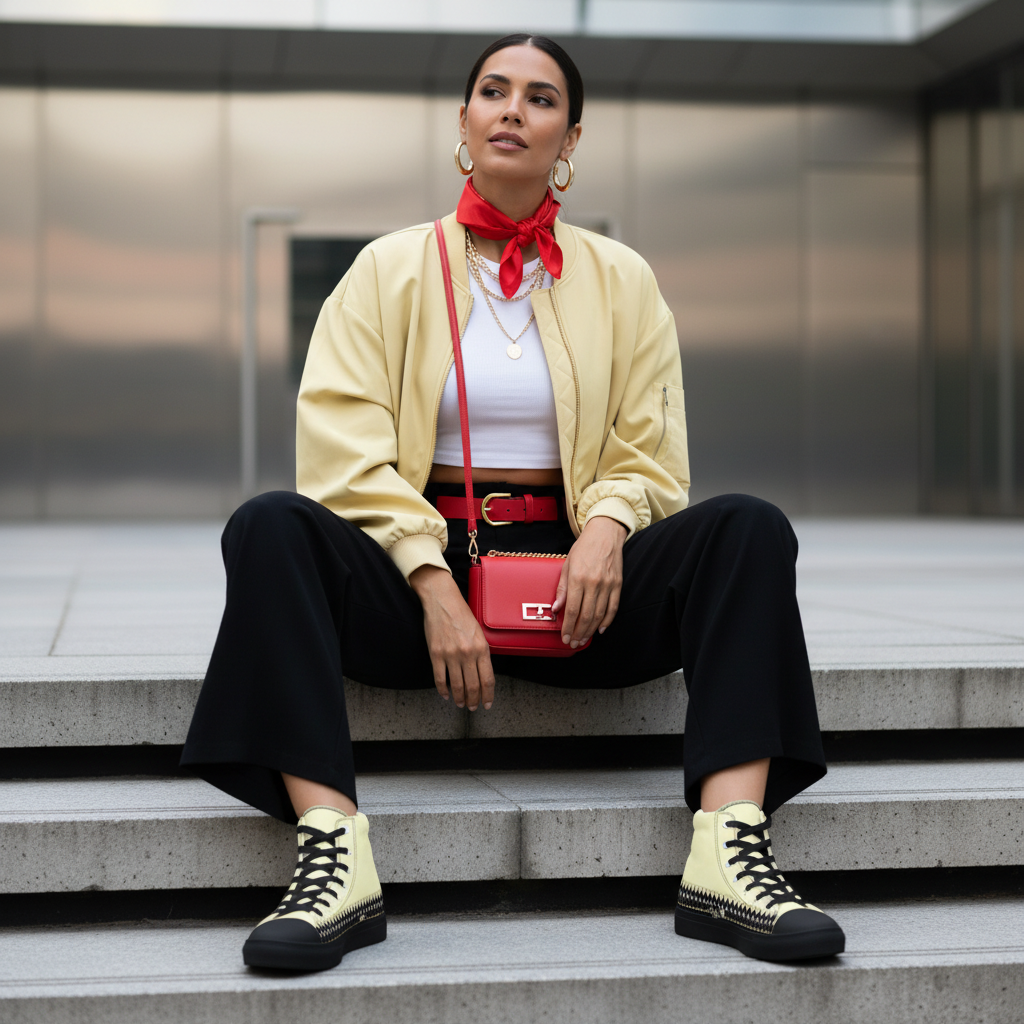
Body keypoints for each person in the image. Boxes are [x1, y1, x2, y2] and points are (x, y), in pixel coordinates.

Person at [181, 33, 845, 972]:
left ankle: (727, 850)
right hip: (420, 594)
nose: (511, 110)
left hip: (579, 588)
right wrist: (429, 578)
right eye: (493, 91)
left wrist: (609, 528)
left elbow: (650, 442)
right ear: (464, 123)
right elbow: (342, 450)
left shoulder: (623, 278)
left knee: (748, 528)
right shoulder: (387, 268)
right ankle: (335, 856)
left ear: (569, 136)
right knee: (270, 526)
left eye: (539, 99)